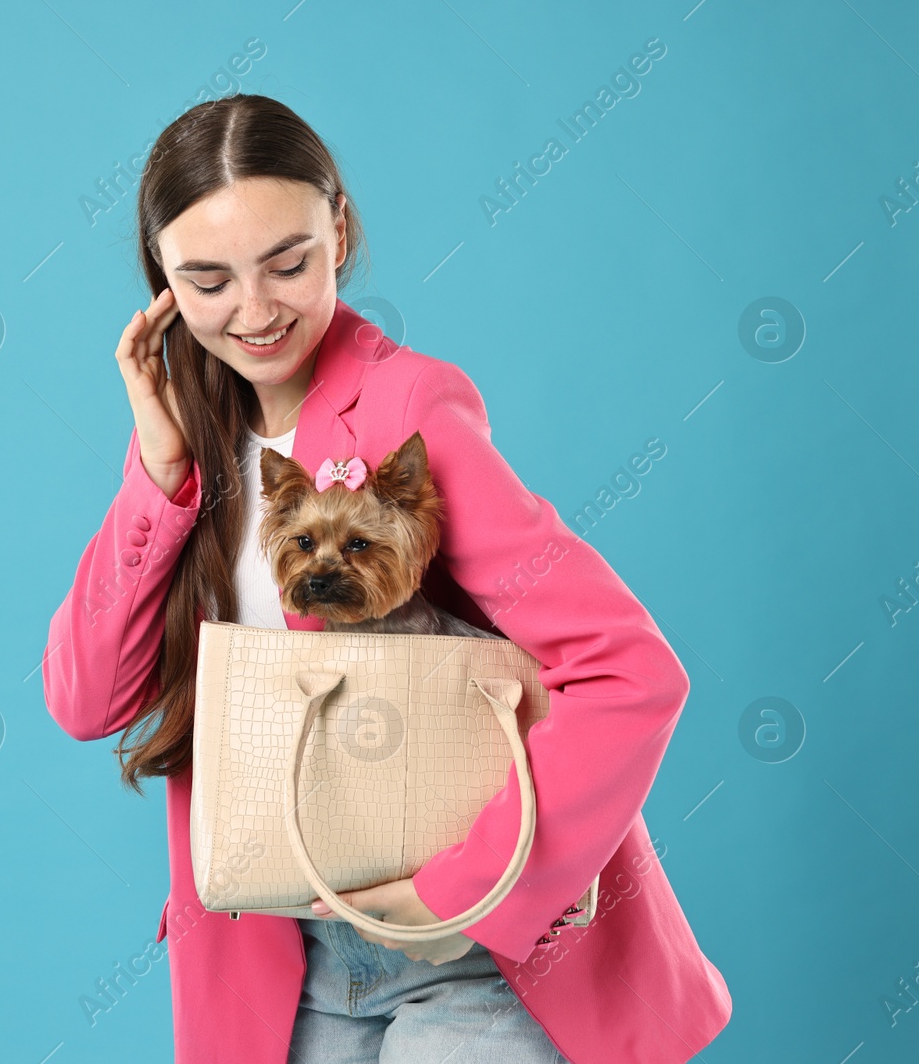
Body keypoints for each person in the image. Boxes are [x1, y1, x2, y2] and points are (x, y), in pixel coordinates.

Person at [42, 94, 730, 1064]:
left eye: (288, 262)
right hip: (281, 960)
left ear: (341, 232)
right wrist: (156, 480)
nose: (255, 310)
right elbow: (85, 698)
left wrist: (462, 888)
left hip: (468, 951)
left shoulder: (409, 406)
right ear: (160, 285)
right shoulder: (179, 451)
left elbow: (630, 670)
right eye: (207, 279)